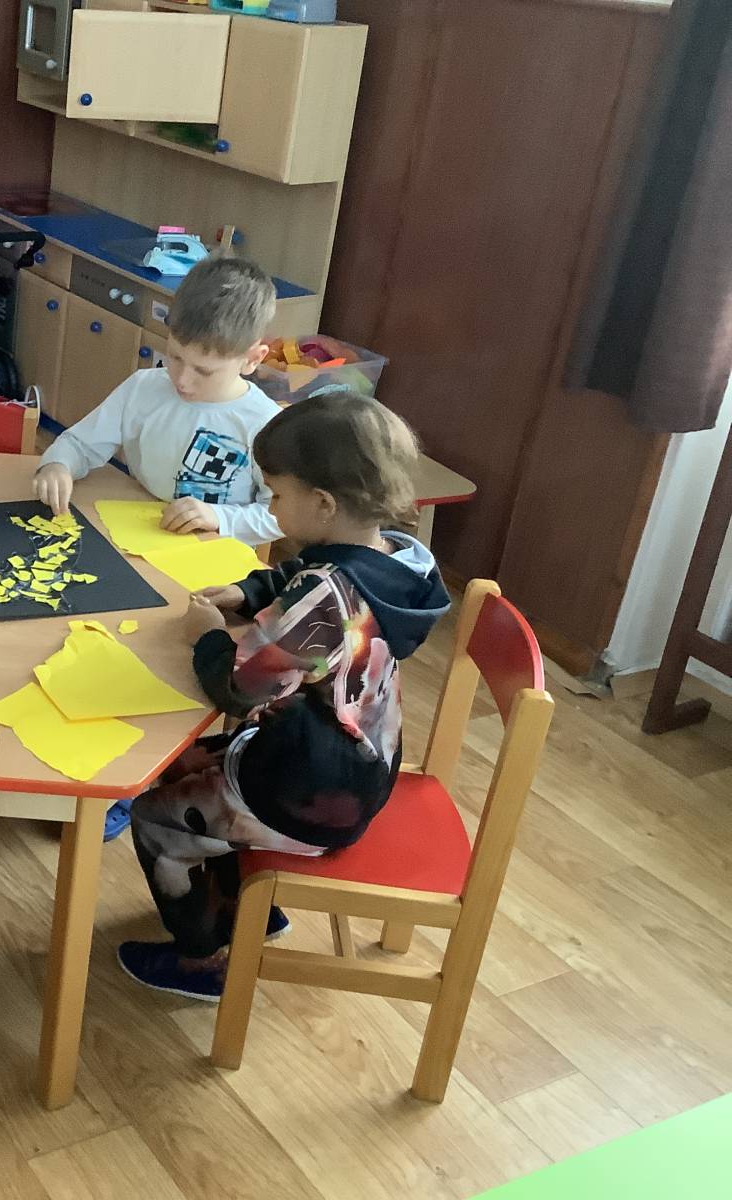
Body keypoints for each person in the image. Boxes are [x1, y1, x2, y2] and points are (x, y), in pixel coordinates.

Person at [116, 389, 450, 1002]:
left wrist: (206, 636)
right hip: (356, 765)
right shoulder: (400, 560)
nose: (269, 504)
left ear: (322, 503)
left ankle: (200, 962)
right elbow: (307, 576)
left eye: (274, 493)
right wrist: (250, 593)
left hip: (310, 796)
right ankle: (248, 905)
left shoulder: (323, 598)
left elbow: (240, 689)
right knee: (181, 765)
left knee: (153, 817)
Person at [33, 256, 285, 839]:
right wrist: (57, 464)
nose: (183, 379)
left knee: (167, 666)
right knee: (93, 645)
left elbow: (278, 513)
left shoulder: (263, 423)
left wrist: (221, 516)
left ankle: (134, 783)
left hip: (213, 575)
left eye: (204, 369)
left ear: (253, 359)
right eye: (174, 357)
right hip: (131, 546)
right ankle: (83, 771)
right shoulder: (144, 389)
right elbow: (81, 443)